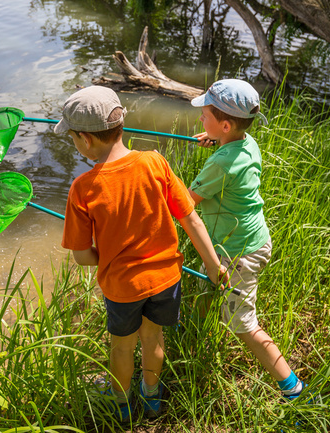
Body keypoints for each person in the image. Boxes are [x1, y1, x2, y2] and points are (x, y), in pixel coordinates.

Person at [55, 86, 227, 421]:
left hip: (123, 288)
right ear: (120, 126)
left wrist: (108, 258)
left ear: (86, 141)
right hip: (166, 280)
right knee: (154, 338)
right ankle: (151, 398)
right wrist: (212, 263)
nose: (76, 145)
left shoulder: (83, 188)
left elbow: (81, 256)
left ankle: (120, 405)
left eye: (74, 139)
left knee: (122, 346)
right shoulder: (155, 162)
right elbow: (190, 217)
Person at [188, 79, 306, 401]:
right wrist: (216, 141)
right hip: (246, 241)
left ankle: (292, 387)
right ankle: (193, 334)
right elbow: (232, 151)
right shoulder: (245, 142)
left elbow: (185, 202)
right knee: (208, 291)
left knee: (244, 325)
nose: (200, 119)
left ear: (225, 124)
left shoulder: (221, 163)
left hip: (239, 252)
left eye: (206, 116)